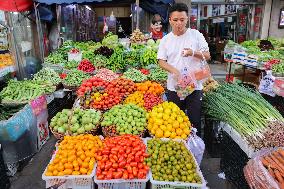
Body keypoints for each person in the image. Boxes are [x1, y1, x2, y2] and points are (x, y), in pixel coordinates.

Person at [157, 3, 211, 136]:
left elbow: (208, 56)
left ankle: (195, 149)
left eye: (182, 20)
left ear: (187, 19)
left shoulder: (196, 35)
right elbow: (161, 61)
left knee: (194, 120)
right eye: (175, 20)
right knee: (174, 122)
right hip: (174, 87)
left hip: (194, 86)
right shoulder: (165, 40)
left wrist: (193, 52)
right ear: (170, 20)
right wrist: (175, 72)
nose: (179, 23)